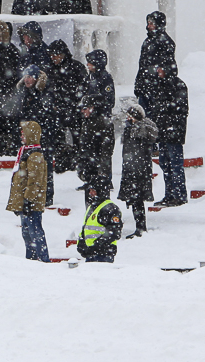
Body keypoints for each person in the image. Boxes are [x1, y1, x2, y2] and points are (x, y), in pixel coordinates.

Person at [144, 64, 189, 206]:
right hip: (163, 131)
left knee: (175, 164)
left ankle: (179, 195)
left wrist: (163, 108)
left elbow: (180, 107)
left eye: (161, 69)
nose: (158, 71)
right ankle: (169, 194)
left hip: (173, 132)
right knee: (165, 164)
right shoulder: (159, 85)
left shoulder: (178, 85)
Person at [8, 119, 51, 260]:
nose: (21, 136)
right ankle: (31, 258)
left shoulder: (35, 155)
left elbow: (35, 181)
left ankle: (42, 258)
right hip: (26, 202)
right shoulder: (25, 152)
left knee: (35, 232)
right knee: (27, 233)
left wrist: (27, 200)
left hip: (32, 203)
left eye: (24, 134)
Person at [43, 39, 86, 173]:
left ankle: (80, 164)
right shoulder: (49, 69)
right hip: (58, 111)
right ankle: (62, 163)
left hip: (74, 111)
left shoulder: (77, 67)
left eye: (56, 54)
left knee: (79, 139)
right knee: (58, 141)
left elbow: (84, 89)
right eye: (51, 55)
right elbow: (46, 91)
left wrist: (76, 105)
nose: (53, 58)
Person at [77, 50, 116, 193]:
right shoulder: (89, 78)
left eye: (91, 62)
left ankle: (105, 180)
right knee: (89, 151)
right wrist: (84, 107)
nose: (88, 65)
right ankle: (90, 179)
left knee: (103, 152)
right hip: (89, 121)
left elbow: (109, 100)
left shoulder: (106, 78)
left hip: (102, 121)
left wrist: (93, 105)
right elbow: (82, 95)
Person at [118, 101, 158, 238]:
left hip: (138, 171)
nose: (128, 119)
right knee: (135, 200)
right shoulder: (132, 130)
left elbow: (140, 151)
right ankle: (139, 227)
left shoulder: (141, 131)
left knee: (137, 200)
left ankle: (140, 227)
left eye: (130, 116)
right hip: (132, 169)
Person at [0, 20, 23, 155]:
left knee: (8, 122)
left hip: (7, 92)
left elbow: (14, 73)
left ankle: (9, 146)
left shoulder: (11, 51)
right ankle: (2, 145)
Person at [134, 12, 177, 106]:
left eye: (152, 23)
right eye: (148, 23)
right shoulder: (147, 42)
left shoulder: (166, 42)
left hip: (158, 90)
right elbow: (142, 66)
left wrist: (162, 73)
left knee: (153, 117)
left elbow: (171, 68)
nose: (149, 26)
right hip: (145, 88)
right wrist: (138, 84)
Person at [77, 180, 122, 263]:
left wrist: (97, 245)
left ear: (101, 191)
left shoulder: (110, 208)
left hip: (104, 254)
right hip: (90, 253)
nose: (91, 193)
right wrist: (81, 243)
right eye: (90, 191)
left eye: (93, 190)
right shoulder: (92, 207)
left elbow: (114, 232)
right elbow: (86, 228)